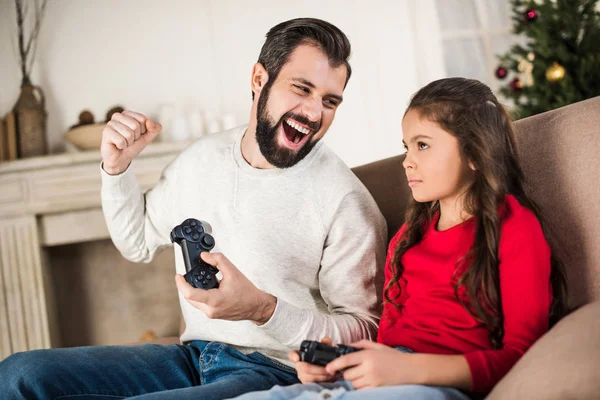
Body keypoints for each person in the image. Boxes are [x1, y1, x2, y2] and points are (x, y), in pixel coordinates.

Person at [0, 18, 387, 400]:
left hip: (278, 371)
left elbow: (364, 330)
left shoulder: (344, 200)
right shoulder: (202, 159)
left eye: (330, 101)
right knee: (19, 375)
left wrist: (263, 309)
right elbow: (136, 242)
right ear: (258, 79)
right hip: (192, 356)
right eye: (301, 89)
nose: (314, 113)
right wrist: (116, 170)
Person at [231, 77, 568, 400]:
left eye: (422, 145)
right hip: (383, 377)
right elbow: (388, 339)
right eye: (407, 147)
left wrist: (408, 368)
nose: (408, 161)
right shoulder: (409, 236)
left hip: (435, 386)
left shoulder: (514, 226)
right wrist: (340, 364)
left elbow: (523, 356)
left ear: (475, 153)